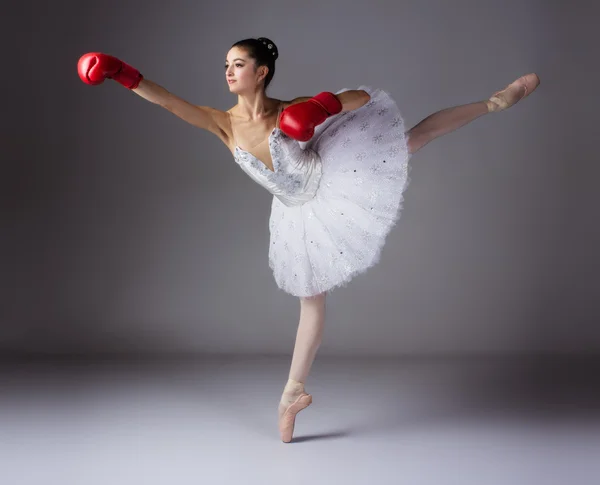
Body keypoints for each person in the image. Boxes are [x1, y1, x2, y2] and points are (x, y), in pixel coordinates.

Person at [77, 37, 540, 443]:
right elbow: (167, 101)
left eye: (237, 63)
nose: (227, 71)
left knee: (410, 139)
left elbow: (358, 97)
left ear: (261, 72)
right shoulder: (223, 123)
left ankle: (495, 102)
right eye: (225, 64)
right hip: (299, 213)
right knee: (311, 302)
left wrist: (321, 106)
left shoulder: (287, 109)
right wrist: (121, 72)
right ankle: (291, 397)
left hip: (334, 174)